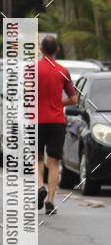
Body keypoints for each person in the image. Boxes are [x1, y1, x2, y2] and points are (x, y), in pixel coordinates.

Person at [37, 35, 77, 215]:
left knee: (37, 158)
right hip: (57, 122)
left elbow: (23, 93)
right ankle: (50, 201)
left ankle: (39, 186)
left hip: (36, 120)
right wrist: (58, 103)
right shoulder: (63, 71)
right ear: (57, 50)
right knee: (54, 162)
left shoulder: (33, 70)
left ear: (41, 49)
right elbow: (74, 99)